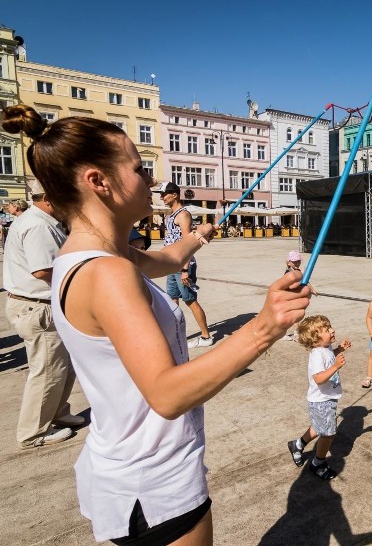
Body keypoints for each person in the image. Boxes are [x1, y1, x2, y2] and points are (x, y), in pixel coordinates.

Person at [2, 104, 311, 543]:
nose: (150, 180)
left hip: (127, 472)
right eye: (139, 168)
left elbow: (166, 259)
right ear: (98, 181)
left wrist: (200, 235)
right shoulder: (108, 273)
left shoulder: (87, 255)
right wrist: (264, 327)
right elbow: (167, 394)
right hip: (153, 485)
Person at [3, 178, 84, 449]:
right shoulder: (38, 225)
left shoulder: (39, 221)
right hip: (37, 306)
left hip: (39, 305)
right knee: (48, 370)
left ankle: (58, 413)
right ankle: (33, 432)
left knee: (61, 367)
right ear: (49, 198)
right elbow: (43, 270)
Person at [287, 315, 351, 480]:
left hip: (326, 398)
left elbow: (330, 357)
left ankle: (298, 444)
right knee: (328, 434)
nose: (332, 330)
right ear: (315, 339)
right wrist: (336, 366)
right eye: (327, 330)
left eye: (330, 327)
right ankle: (318, 462)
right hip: (321, 400)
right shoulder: (316, 355)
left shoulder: (326, 347)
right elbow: (319, 378)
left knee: (318, 426)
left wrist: (339, 350)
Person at [156, 181, 214, 348]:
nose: (161, 197)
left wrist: (185, 269)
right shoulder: (170, 215)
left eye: (164, 194)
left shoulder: (183, 215)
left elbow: (187, 242)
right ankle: (175, 335)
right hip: (172, 264)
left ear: (174, 195)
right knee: (172, 300)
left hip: (183, 265)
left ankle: (205, 336)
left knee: (190, 300)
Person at [281, 251, 318, 342]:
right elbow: (290, 286)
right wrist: (301, 283)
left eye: (299, 261)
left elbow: (306, 280)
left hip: (296, 297)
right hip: (289, 297)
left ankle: (296, 334)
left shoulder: (298, 271)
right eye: (295, 262)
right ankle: (284, 334)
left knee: (296, 317)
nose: (297, 263)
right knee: (290, 317)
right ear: (289, 262)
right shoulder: (288, 273)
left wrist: (312, 289)